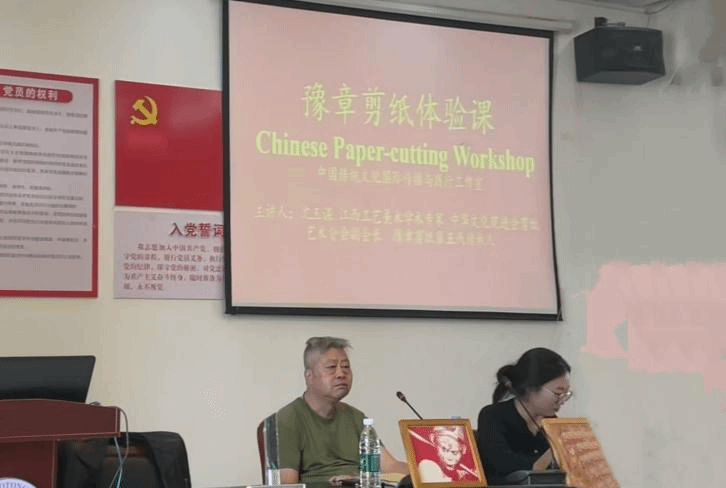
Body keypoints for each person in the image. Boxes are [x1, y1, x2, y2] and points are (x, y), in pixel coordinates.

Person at [276, 337, 409, 485]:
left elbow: (390, 466)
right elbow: (287, 484)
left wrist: (425, 469)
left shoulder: (356, 417)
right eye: (331, 367)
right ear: (309, 377)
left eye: (346, 366)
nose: (341, 374)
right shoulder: (288, 419)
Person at [476, 348, 572, 485]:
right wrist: (556, 449)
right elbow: (504, 465)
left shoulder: (552, 423)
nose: (562, 400)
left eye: (566, 394)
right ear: (531, 388)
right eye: (558, 393)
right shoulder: (492, 416)